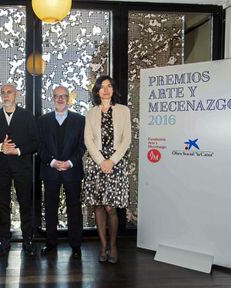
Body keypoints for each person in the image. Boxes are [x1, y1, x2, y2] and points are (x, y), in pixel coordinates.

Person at [0, 83, 39, 257]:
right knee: (3, 205)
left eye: (9, 92)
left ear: (17, 95)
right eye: (3, 93)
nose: (6, 96)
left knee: (25, 205)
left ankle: (28, 241)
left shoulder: (27, 116)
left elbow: (35, 143)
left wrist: (18, 150)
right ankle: (4, 241)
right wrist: (1, 147)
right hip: (2, 169)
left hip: (23, 168)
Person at [83, 75, 131, 264]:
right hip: (96, 163)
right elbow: (88, 140)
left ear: (113, 89)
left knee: (111, 208)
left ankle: (113, 245)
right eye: (102, 87)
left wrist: (111, 161)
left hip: (116, 163)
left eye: (109, 86)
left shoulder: (123, 111)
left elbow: (126, 139)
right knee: (99, 206)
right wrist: (102, 161)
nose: (105, 89)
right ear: (97, 91)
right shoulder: (91, 113)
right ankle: (103, 246)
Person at [38, 86, 85, 258]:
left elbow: (82, 146)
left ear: (68, 99)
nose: (60, 99)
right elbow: (39, 146)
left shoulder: (80, 120)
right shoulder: (43, 121)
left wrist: (70, 163)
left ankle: (76, 245)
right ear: (52, 98)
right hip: (50, 172)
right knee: (50, 208)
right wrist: (52, 162)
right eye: (57, 96)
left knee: (74, 209)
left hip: (72, 172)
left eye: (63, 96)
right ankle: (51, 243)